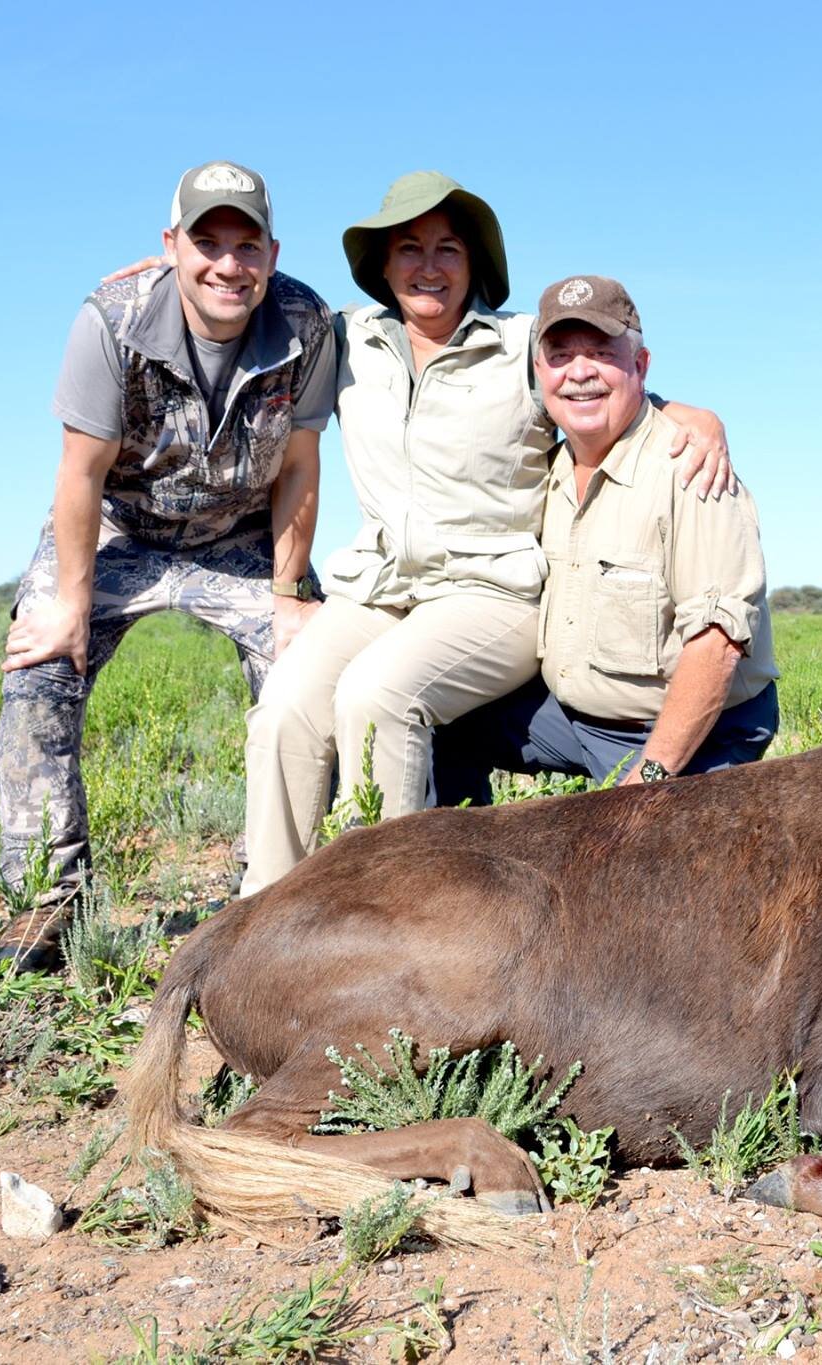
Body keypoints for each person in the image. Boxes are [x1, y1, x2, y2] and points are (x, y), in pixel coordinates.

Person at [239, 174, 733, 893]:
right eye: (409, 247)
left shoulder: (519, 345)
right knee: (284, 707)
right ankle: (263, 913)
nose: (429, 265)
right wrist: (157, 277)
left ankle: (389, 916)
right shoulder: (346, 337)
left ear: (476, 266)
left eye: (448, 249)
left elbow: (611, 389)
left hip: (492, 591)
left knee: (378, 697)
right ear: (382, 263)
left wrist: (702, 417)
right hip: (380, 585)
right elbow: (233, 287)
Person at [0, 160, 336, 968]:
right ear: (170, 245)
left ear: (273, 252)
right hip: (120, 529)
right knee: (38, 665)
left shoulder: (308, 323)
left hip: (241, 536)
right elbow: (79, 472)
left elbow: (299, 468)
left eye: (245, 245)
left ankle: (282, 892)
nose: (227, 264)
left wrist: (290, 595)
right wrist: (71, 602)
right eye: (205, 241)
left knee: (312, 670)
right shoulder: (110, 319)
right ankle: (48, 902)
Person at [432, 276, 777, 804]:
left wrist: (647, 782)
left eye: (600, 352)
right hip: (571, 718)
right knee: (439, 717)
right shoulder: (540, 463)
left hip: (693, 732)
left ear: (639, 367)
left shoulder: (692, 468)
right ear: (538, 373)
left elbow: (717, 646)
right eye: (561, 354)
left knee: (646, 873)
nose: (580, 372)